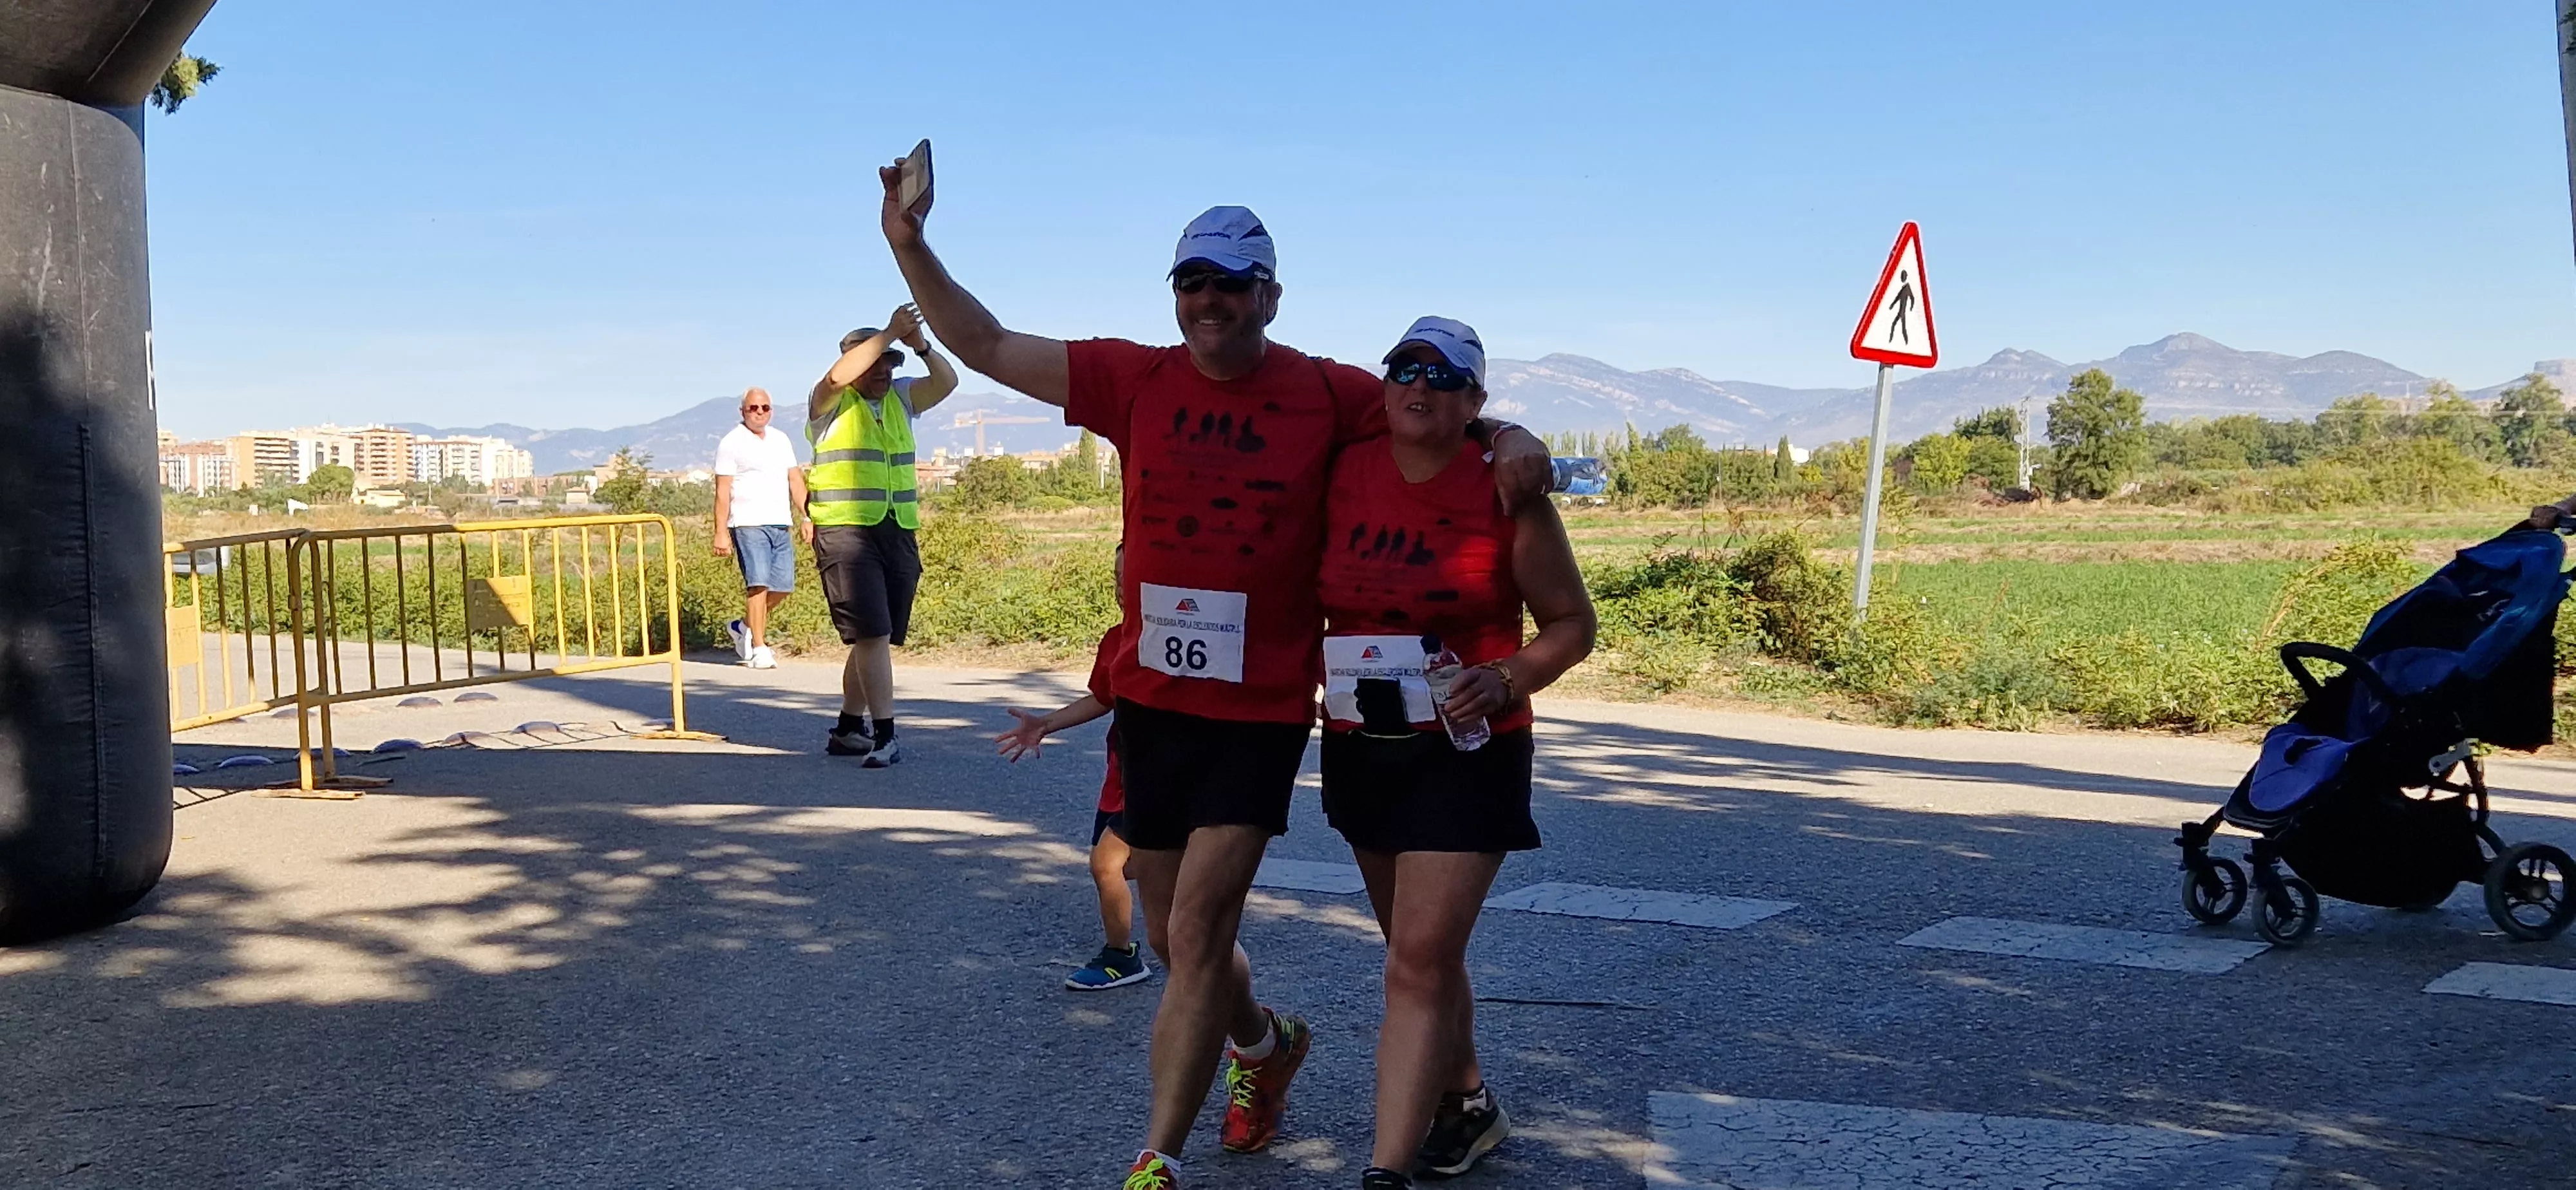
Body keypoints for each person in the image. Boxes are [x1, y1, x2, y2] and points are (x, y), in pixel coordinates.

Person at [875, 158, 1551, 1188]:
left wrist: (1513, 432)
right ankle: (1264, 1045)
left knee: (1195, 930)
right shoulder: (1134, 377)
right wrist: (909, 243)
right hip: (1154, 703)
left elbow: (1437, 407)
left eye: (1231, 285)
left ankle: (1157, 1157)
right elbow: (987, 344)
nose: (1209, 300)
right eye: (1192, 282)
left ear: (1269, 297)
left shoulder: (1325, 390)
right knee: (1171, 932)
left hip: (1260, 710)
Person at [1317, 318, 1595, 1189]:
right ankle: (1467, 1102)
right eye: (1405, 368)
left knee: (1416, 959)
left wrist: (1508, 678)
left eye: (1443, 376)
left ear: (1474, 400)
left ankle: (1386, 1170)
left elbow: (1572, 624)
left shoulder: (1504, 488)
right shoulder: (1343, 466)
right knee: (1420, 953)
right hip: (1364, 744)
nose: (1419, 386)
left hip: (1469, 754)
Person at [996, 549, 1155, 992]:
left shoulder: (1180, 640)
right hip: (1121, 778)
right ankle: (1201, 913)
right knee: (1134, 868)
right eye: (1116, 577)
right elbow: (1103, 698)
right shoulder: (1116, 640)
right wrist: (1045, 724)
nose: (1122, 587)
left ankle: (1122, 956)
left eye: (1132, 575)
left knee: (1107, 864)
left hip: (1160, 779)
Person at [806, 303, 956, 764]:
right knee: (871, 633)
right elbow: (835, 379)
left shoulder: (902, 398)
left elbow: (948, 382)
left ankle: (848, 728)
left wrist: (920, 346)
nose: (884, 371)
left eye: (890, 364)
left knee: (877, 634)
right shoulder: (828, 404)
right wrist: (891, 332)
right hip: (846, 532)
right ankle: (885, 735)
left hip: (896, 527)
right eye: (875, 363)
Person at [712, 386, 809, 669]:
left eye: (765, 407)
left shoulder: (781, 440)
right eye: (753, 408)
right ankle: (759, 647)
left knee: (783, 586)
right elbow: (722, 491)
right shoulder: (731, 443)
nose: (759, 412)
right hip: (748, 523)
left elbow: (795, 480)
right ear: (743, 411)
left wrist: (807, 516)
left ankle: (743, 626)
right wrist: (720, 532)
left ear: (771, 410)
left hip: (780, 523)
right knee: (758, 585)